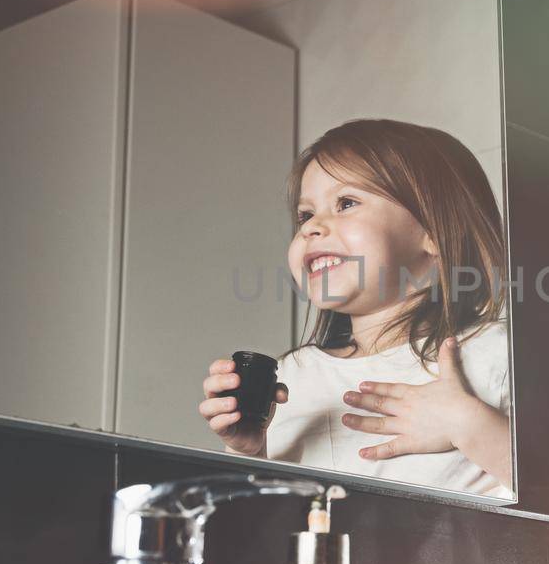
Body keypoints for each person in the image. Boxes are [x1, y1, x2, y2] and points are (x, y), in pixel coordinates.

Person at [197, 118, 514, 499]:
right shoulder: (294, 377)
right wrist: (249, 452)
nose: (310, 229)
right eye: (305, 215)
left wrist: (468, 424)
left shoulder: (496, 353)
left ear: (434, 232)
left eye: (346, 203)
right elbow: (259, 530)